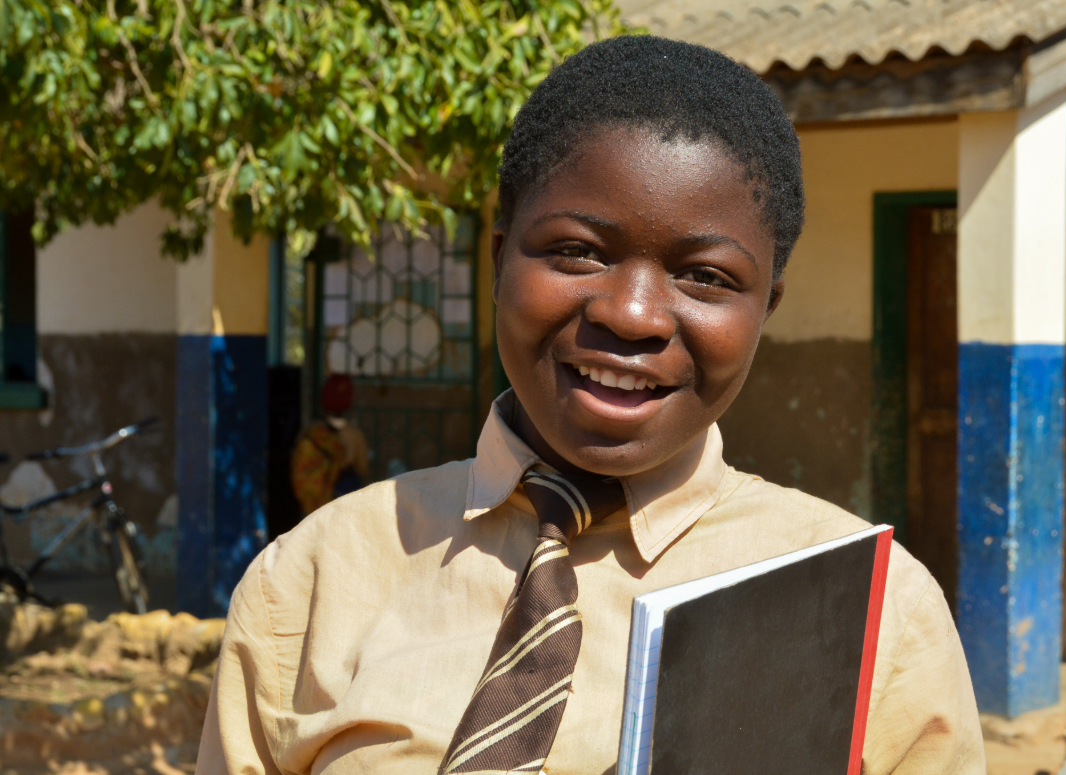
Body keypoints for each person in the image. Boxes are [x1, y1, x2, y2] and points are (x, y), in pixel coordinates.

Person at [198, 36, 985, 775]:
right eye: (576, 250)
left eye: (705, 276)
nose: (632, 313)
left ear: (765, 306)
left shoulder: (869, 616)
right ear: (498, 255)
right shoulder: (311, 581)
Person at [290, 374, 370, 516]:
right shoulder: (355, 435)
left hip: (315, 507)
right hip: (344, 503)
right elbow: (363, 468)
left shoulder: (310, 432)